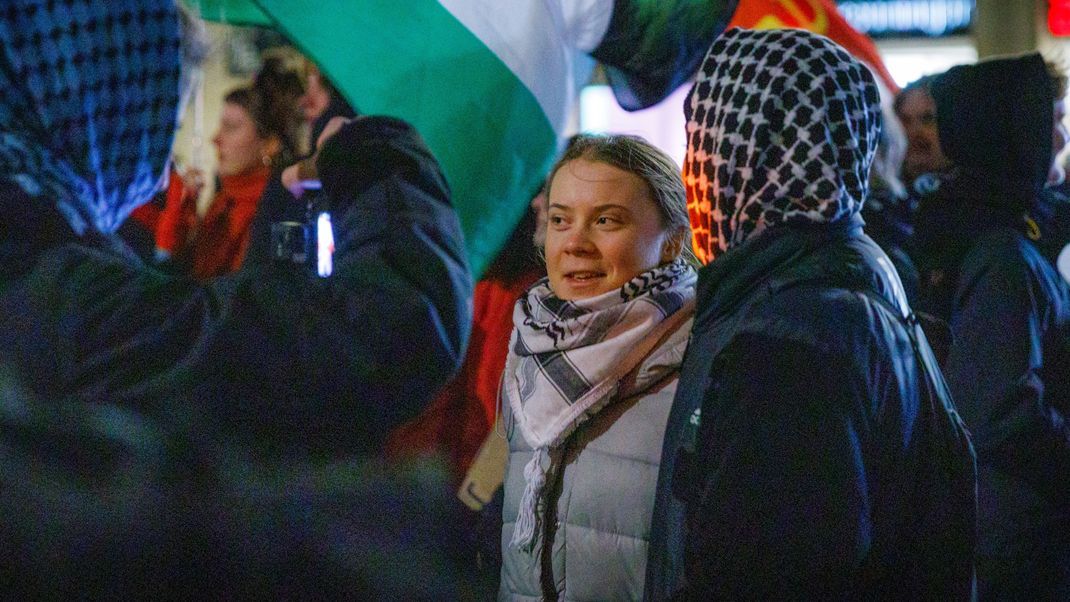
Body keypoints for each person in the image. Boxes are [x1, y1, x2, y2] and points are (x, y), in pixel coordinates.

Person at [0, 0, 472, 595]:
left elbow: (236, 330)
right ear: (87, 98)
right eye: (160, 107)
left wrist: (283, 208)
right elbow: (375, 338)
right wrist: (384, 160)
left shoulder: (37, 258)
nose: (160, 145)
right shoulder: (46, 294)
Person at [646, 28, 977, 600]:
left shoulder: (792, 339)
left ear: (746, 150)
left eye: (705, 138)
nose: (694, 163)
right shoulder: (843, 278)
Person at [498, 133, 698, 601]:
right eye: (560, 220)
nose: (575, 243)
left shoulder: (702, 359)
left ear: (672, 242)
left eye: (606, 220)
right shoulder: (528, 346)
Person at [913, 52, 1070, 599]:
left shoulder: (985, 227)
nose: (1061, 136)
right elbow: (999, 410)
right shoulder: (1002, 254)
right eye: (1052, 120)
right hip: (1014, 539)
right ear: (1015, 131)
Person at [154, 56, 304, 279]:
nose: (215, 139)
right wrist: (182, 214)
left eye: (231, 127)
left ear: (270, 144)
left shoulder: (280, 210)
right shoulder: (226, 198)